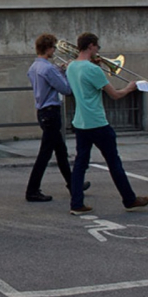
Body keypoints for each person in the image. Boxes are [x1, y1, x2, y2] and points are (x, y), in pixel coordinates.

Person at [66, 32, 148, 215]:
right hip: (97, 122)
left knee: (80, 164)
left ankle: (76, 204)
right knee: (114, 163)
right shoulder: (93, 70)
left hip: (81, 122)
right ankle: (130, 200)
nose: (99, 50)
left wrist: (96, 66)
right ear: (91, 46)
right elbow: (115, 95)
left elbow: (87, 83)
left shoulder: (71, 66)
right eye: (97, 46)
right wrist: (130, 88)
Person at [24, 34, 89, 202]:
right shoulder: (48, 68)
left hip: (43, 112)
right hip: (51, 111)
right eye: (53, 47)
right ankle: (32, 190)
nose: (55, 50)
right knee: (45, 154)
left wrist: (60, 70)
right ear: (47, 49)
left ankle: (73, 183)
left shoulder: (34, 66)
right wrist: (67, 72)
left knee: (61, 152)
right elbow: (66, 89)